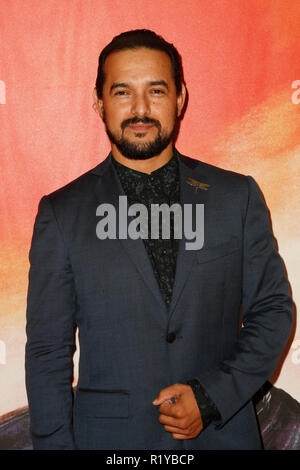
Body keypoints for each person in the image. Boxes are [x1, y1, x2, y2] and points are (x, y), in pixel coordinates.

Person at [25, 29, 293, 450]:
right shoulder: (63, 213)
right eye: (121, 92)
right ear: (98, 102)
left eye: (156, 90)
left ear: (180, 97)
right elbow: (47, 352)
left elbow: (274, 311)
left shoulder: (235, 197)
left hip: (222, 436)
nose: (140, 109)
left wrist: (210, 397)